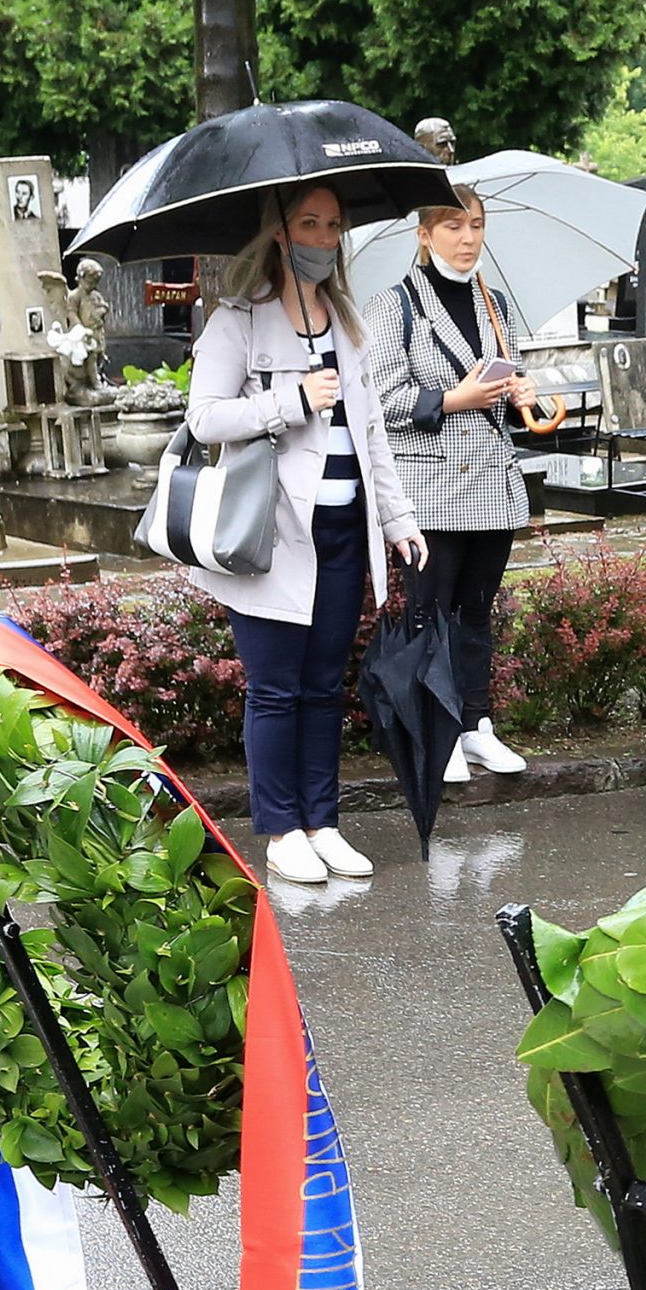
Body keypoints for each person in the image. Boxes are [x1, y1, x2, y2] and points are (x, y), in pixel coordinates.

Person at [187, 184, 427, 887]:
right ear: (277, 234)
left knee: (326, 686)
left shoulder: (348, 324)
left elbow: (373, 432)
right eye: (307, 224)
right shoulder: (239, 322)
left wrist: (398, 518)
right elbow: (204, 419)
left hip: (344, 534)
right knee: (275, 688)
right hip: (271, 533)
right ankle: (281, 827)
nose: (322, 237)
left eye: (331, 225)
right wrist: (289, 402)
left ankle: (323, 821)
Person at [368, 184, 537, 783]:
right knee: (429, 611)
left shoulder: (496, 305)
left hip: (490, 481)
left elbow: (505, 374)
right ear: (424, 234)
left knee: (475, 610)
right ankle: (431, 733)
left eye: (477, 226)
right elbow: (382, 400)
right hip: (430, 485)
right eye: (453, 227)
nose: (467, 239)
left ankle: (476, 725)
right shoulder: (398, 306)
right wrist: (452, 398)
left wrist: (521, 392)